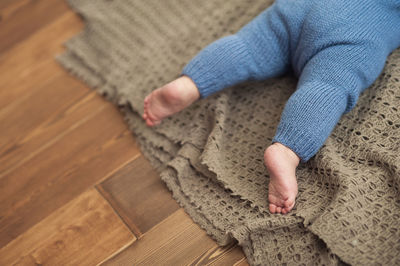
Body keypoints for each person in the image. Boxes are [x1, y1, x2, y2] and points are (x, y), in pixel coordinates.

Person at [142, 0, 400, 214]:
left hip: (300, 8)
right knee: (327, 86)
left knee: (248, 47)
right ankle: (286, 151)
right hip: (354, 36)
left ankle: (188, 85)